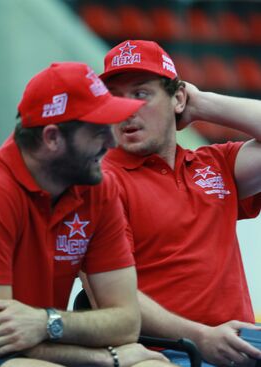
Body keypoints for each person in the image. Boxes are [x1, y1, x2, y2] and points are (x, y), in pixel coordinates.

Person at [0, 62, 172, 367]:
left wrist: (47, 322)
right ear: (53, 138)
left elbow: (126, 321)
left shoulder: (97, 186)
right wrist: (105, 358)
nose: (111, 142)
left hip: (37, 346)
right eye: (97, 132)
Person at [94, 39, 261, 367]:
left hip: (242, 344)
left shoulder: (216, 163)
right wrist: (201, 337)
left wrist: (201, 105)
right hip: (164, 353)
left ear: (178, 98)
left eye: (141, 94)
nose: (126, 109)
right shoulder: (99, 182)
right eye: (115, 97)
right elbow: (112, 301)